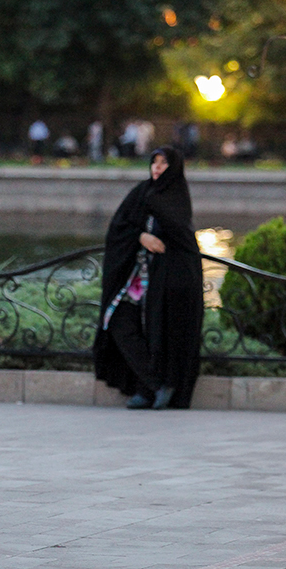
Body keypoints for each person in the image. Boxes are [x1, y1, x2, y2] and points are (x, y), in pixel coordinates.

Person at [93, 146, 203, 410]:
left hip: (165, 282)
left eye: (163, 163)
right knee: (119, 322)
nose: (157, 167)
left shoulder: (176, 197)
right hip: (134, 280)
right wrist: (140, 237)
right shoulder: (141, 193)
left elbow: (182, 241)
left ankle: (148, 389)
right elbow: (119, 226)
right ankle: (154, 383)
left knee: (156, 331)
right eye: (154, 162)